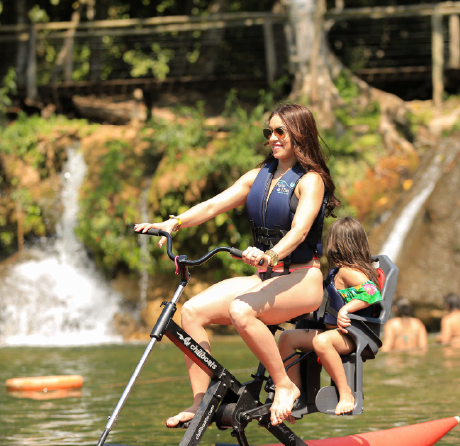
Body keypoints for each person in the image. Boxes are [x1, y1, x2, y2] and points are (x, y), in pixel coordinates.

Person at [134, 103, 340, 427]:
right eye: (268, 132)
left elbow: (300, 231)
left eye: (280, 131)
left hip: (302, 280)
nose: (272, 138)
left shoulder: (310, 180)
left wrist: (270, 255)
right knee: (191, 313)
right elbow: (214, 204)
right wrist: (174, 223)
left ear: (299, 133)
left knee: (241, 310)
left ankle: (286, 386)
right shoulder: (258, 177)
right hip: (265, 279)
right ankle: (200, 402)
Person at [277, 217, 382, 416]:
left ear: (335, 244)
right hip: (333, 333)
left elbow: (371, 292)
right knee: (286, 339)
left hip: (352, 336)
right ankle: (295, 393)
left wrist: (346, 310)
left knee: (322, 342)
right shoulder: (336, 272)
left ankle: (346, 394)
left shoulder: (349, 271)